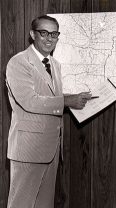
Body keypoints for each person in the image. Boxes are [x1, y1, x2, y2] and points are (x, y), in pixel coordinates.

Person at [5, 15, 92, 208]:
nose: (49, 38)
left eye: (54, 34)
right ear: (32, 34)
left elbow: (50, 95)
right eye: (43, 33)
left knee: (45, 205)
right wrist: (68, 101)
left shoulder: (54, 64)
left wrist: (78, 97)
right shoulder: (18, 62)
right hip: (28, 150)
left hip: (51, 148)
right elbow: (29, 101)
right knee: (21, 204)